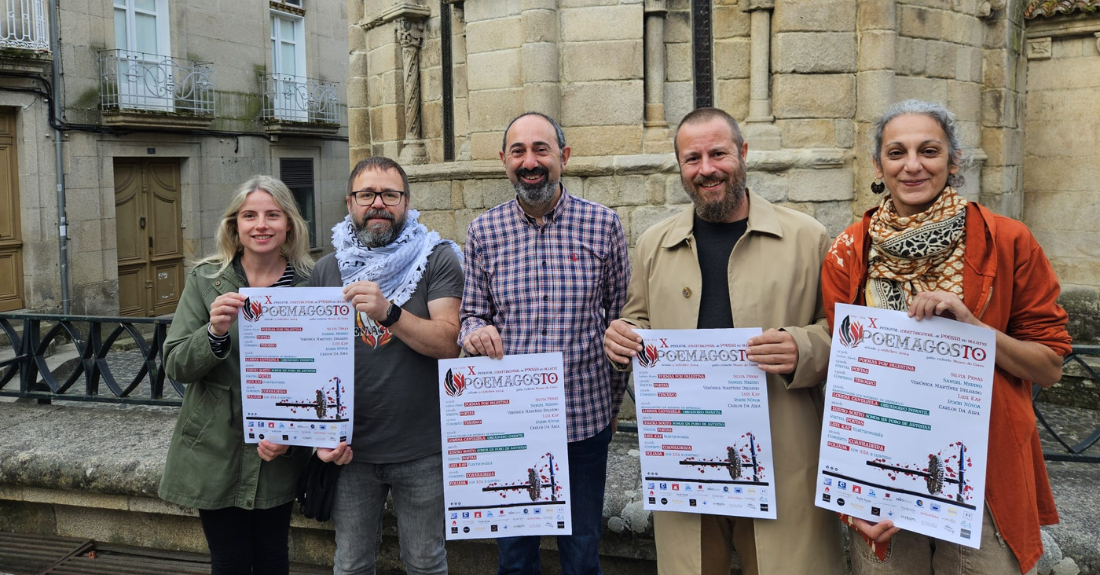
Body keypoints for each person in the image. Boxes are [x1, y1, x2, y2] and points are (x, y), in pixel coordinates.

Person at [821, 99, 1071, 575]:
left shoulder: (1008, 240)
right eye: (897, 152)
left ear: (953, 161)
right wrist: (850, 496)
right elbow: (844, 378)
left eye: (929, 151)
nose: (912, 165)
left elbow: (1050, 366)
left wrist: (975, 332)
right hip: (883, 477)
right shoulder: (848, 252)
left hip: (982, 481)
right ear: (878, 165)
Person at [603, 107, 845, 575]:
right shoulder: (654, 243)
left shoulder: (807, 238)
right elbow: (636, 320)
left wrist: (803, 347)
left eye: (718, 153)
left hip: (781, 456)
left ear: (744, 154)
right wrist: (621, 338)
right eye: (692, 158)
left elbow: (843, 337)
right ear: (680, 167)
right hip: (687, 459)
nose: (706, 169)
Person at [460, 111, 631, 575]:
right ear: (503, 160)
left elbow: (620, 323)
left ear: (563, 157)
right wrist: (475, 331)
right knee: (515, 559)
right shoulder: (482, 232)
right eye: (518, 151)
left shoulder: (604, 225)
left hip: (583, 419)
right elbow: (470, 314)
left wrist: (612, 407)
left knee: (581, 555)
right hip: (511, 424)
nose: (529, 161)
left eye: (541, 149)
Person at [310, 156, 463, 575]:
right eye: (366, 195)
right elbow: (311, 364)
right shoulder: (327, 268)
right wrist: (315, 437)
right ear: (349, 203)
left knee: (426, 562)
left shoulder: (437, 257)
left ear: (406, 202)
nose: (378, 203)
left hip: (423, 447)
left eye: (389, 194)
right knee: (351, 563)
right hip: (351, 451)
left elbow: (449, 343)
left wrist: (388, 311)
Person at [160, 175, 314, 575]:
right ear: (235, 225)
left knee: (272, 558)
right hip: (216, 445)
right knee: (228, 561)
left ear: (289, 225)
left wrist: (292, 437)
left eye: (272, 215)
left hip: (277, 446)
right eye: (250, 215)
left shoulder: (310, 285)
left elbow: (323, 372)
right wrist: (213, 333)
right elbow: (175, 363)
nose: (261, 225)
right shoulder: (207, 279)